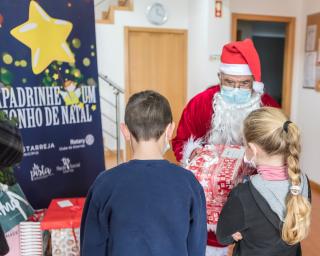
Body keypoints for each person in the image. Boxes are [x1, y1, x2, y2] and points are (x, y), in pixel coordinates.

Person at [172, 38, 279, 256]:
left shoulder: (268, 107)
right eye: (229, 82)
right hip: (208, 202)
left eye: (244, 84)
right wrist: (204, 163)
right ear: (220, 77)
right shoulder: (200, 103)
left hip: (254, 199)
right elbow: (180, 142)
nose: (236, 89)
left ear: (254, 83)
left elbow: (280, 149)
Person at [80, 90, 207, 256]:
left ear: (125, 131)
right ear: (170, 130)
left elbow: (91, 248)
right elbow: (196, 248)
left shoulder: (104, 184)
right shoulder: (189, 183)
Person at [216, 107, 311, 256]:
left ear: (253, 149)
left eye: (245, 144)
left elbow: (223, 236)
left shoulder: (242, 194)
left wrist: (233, 234)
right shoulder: (303, 182)